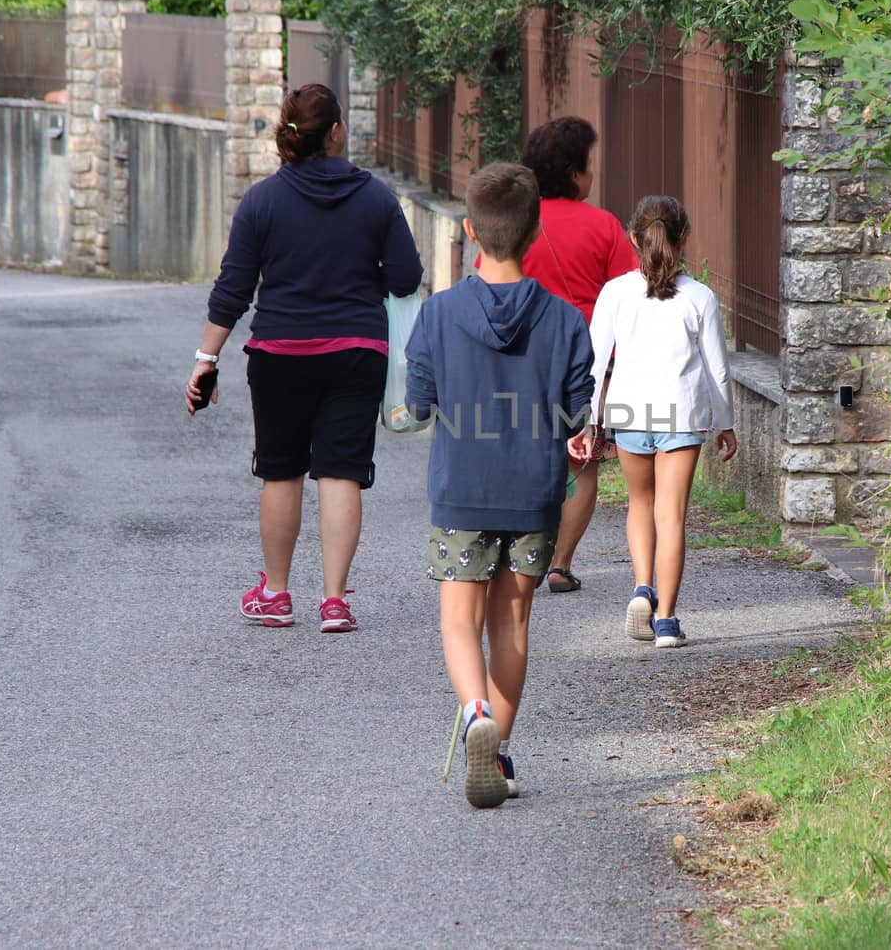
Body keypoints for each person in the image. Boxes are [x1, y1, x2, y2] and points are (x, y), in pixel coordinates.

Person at [186, 83, 422, 633]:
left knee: (282, 472)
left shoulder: (262, 202)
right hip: (357, 351)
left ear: (287, 135)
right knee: (340, 473)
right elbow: (408, 278)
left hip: (280, 354)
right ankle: (335, 601)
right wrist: (364, 275)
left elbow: (233, 289)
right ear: (336, 132)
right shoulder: (377, 199)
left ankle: (276, 593)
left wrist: (205, 358)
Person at [405, 162, 594, 808]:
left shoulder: (436, 313)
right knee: (511, 626)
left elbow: (420, 405)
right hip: (533, 495)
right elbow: (577, 413)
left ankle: (475, 712)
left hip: (462, 489)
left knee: (459, 622)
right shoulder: (567, 320)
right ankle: (501, 749)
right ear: (535, 231)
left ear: (468, 231)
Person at [570, 195, 737, 649]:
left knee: (640, 505)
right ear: (684, 239)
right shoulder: (699, 297)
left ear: (632, 239)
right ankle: (665, 620)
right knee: (672, 516)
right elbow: (718, 369)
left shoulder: (616, 293)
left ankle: (642, 586)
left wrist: (587, 422)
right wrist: (725, 423)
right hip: (681, 412)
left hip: (628, 411)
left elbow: (593, 360)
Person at [515, 117, 639, 593]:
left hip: (523, 359)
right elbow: (629, 294)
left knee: (525, 457)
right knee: (580, 462)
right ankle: (560, 564)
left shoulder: (518, 219)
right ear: (572, 170)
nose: (594, 174)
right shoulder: (604, 225)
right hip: (586, 361)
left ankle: (522, 555)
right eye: (589, 165)